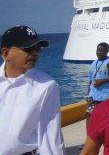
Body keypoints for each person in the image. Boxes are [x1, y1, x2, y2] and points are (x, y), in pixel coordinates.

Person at [1, 25, 64, 154]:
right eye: (28, 49)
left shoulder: (46, 86)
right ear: (6, 53)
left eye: (38, 49)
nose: (35, 53)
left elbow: (49, 136)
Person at [86, 42, 109, 131]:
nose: (99, 52)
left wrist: (102, 81)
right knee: (89, 114)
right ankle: (89, 137)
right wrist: (88, 94)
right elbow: (90, 80)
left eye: (102, 51)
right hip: (93, 96)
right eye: (98, 50)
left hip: (107, 96)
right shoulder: (93, 63)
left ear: (107, 51)